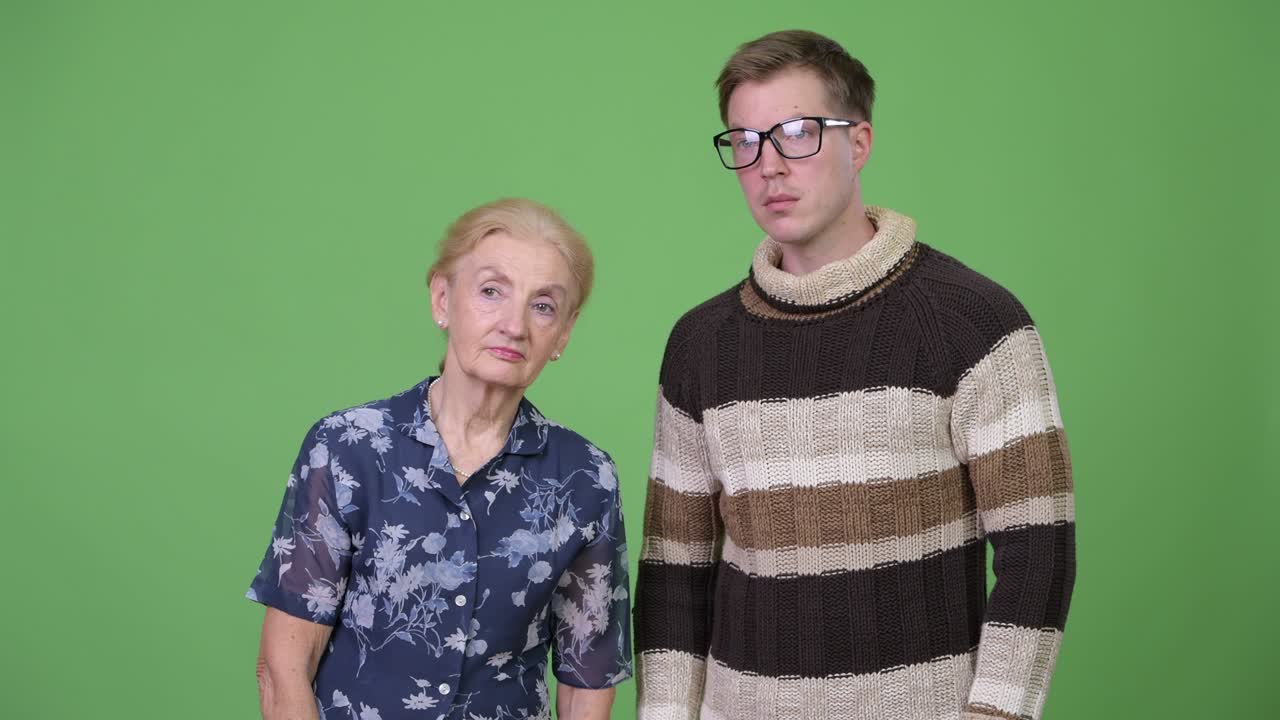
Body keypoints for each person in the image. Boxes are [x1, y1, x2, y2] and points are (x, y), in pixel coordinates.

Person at [635, 30, 1075, 720]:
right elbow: (673, 575)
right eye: (745, 142)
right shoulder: (701, 343)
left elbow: (1038, 550)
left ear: (860, 142)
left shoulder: (975, 321)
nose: (769, 166)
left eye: (797, 134)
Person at [248, 198, 631, 720]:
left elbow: (587, 678)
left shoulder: (586, 477)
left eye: (543, 305)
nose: (514, 325)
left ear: (563, 332)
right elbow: (284, 668)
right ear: (442, 298)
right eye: (491, 291)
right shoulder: (348, 448)